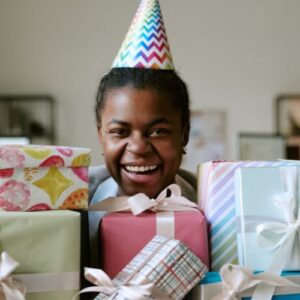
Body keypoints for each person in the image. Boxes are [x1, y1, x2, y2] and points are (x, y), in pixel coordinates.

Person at [88, 0, 197, 268]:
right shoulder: (71, 205)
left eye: (158, 131)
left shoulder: (213, 205)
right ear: (101, 136)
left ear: (184, 135)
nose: (138, 146)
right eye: (119, 131)